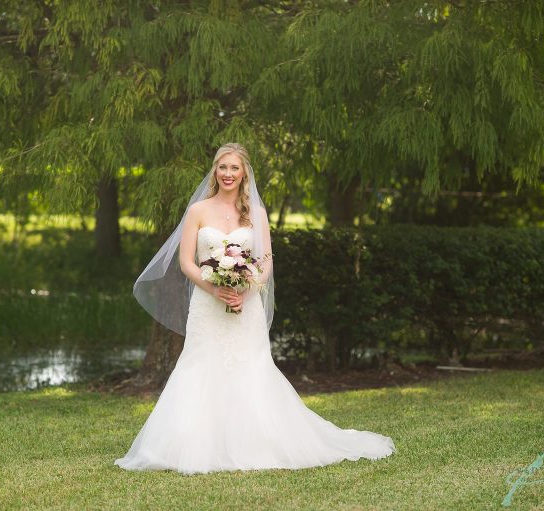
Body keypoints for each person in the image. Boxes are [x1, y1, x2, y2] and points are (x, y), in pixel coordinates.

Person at [115, 143, 396, 475]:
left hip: (245, 306)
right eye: (222, 167)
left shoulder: (256, 213)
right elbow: (186, 262)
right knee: (198, 367)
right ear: (215, 171)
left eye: (234, 168)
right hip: (207, 304)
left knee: (251, 368)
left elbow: (265, 262)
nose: (228, 174)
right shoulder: (198, 211)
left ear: (244, 172)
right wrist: (214, 288)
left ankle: (257, 444)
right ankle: (186, 446)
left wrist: (245, 289)